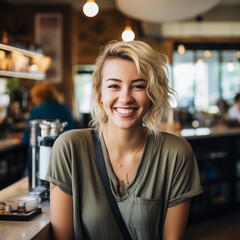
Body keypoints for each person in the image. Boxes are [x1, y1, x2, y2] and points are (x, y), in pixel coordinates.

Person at [46, 40, 203, 240]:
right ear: (99, 93)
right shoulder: (69, 148)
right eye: (114, 86)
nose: (125, 97)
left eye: (138, 86)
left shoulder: (176, 153)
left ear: (152, 94)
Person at [22, 81, 75, 145]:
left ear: (38, 97)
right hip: (65, 148)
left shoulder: (35, 112)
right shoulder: (65, 109)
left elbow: (26, 139)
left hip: (40, 151)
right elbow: (72, 131)